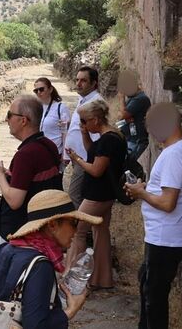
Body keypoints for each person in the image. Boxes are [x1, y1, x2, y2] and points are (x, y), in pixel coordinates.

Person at [0, 190, 100, 328]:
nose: (76, 231)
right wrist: (70, 312)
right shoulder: (40, 266)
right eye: (74, 223)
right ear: (53, 225)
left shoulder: (8, 248)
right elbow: (35, 325)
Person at [125, 102, 182, 329]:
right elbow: (173, 187)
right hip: (169, 234)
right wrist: (149, 188)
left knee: (154, 298)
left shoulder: (173, 155)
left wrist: (140, 192)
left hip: (166, 236)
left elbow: (168, 202)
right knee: (145, 281)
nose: (149, 131)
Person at [64, 99, 127, 291]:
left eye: (84, 121)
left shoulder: (108, 140)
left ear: (96, 119)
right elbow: (95, 152)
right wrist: (84, 136)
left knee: (77, 231)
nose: (82, 125)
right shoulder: (114, 135)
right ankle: (101, 278)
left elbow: (96, 169)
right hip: (105, 194)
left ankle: (72, 278)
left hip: (97, 195)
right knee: (101, 233)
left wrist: (78, 160)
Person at [0, 95, 63, 244]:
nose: (6, 120)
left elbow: (15, 201)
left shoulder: (26, 155)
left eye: (10, 115)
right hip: (40, 228)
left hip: (19, 233)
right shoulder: (48, 145)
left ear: (23, 120)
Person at [63, 66, 102, 208]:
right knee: (82, 193)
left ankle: (82, 229)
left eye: (83, 81)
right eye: (77, 80)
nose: (78, 84)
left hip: (85, 158)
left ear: (94, 83)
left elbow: (97, 133)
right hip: (77, 156)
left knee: (74, 194)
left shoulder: (96, 103)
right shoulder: (83, 99)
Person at [116, 70, 152, 162]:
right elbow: (119, 121)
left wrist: (121, 99)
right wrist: (124, 119)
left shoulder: (140, 99)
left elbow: (121, 115)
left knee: (124, 165)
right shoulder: (131, 99)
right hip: (128, 139)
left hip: (136, 141)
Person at [33, 77, 71, 156]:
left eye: (41, 89)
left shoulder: (61, 108)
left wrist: (65, 155)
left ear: (50, 89)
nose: (39, 92)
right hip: (40, 152)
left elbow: (65, 133)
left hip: (55, 152)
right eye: (36, 91)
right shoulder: (37, 107)